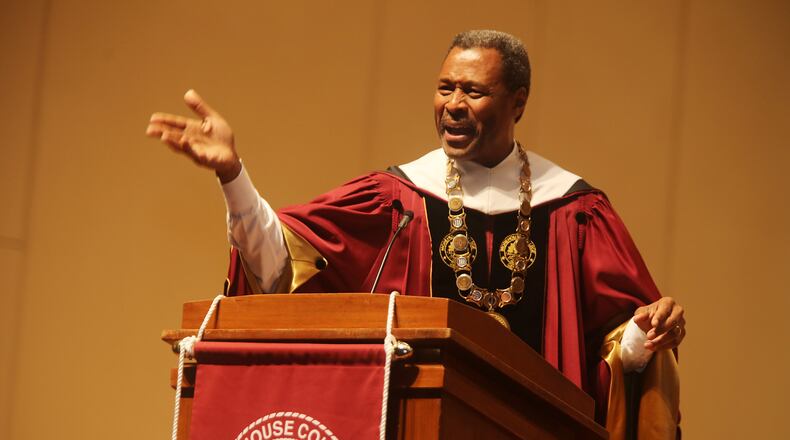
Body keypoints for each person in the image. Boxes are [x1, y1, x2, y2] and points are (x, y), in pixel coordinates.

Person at [147, 30, 684, 437]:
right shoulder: (396, 198)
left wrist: (645, 336)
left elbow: (618, 357)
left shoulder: (575, 211)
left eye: (473, 91)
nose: (453, 103)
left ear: (517, 102)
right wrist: (232, 174)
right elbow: (279, 267)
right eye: (444, 87)